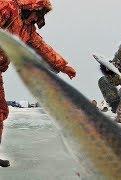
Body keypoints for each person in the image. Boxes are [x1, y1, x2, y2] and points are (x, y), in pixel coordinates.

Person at [0, 0, 77, 167]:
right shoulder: (8, 7)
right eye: (37, 13)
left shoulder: (28, 29)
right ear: (31, 8)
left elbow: (42, 48)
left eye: (39, 16)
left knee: (0, 110)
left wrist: (63, 67)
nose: (36, 18)